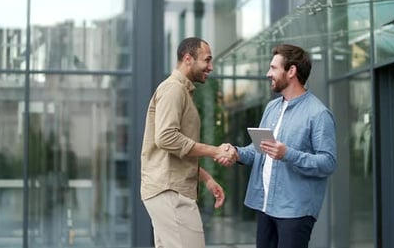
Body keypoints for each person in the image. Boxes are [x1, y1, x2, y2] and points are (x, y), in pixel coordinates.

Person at [232, 43, 337, 248]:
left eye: (273, 68)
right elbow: (259, 150)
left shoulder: (318, 114)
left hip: (295, 211)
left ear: (291, 71)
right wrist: (236, 153)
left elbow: (328, 162)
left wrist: (288, 154)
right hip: (265, 206)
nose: (268, 73)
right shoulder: (272, 107)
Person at [140, 37, 236, 248]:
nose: (210, 67)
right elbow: (166, 138)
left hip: (168, 190)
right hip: (169, 192)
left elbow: (176, 150)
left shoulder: (181, 91)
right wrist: (215, 151)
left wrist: (207, 179)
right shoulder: (173, 89)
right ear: (188, 59)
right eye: (207, 60)